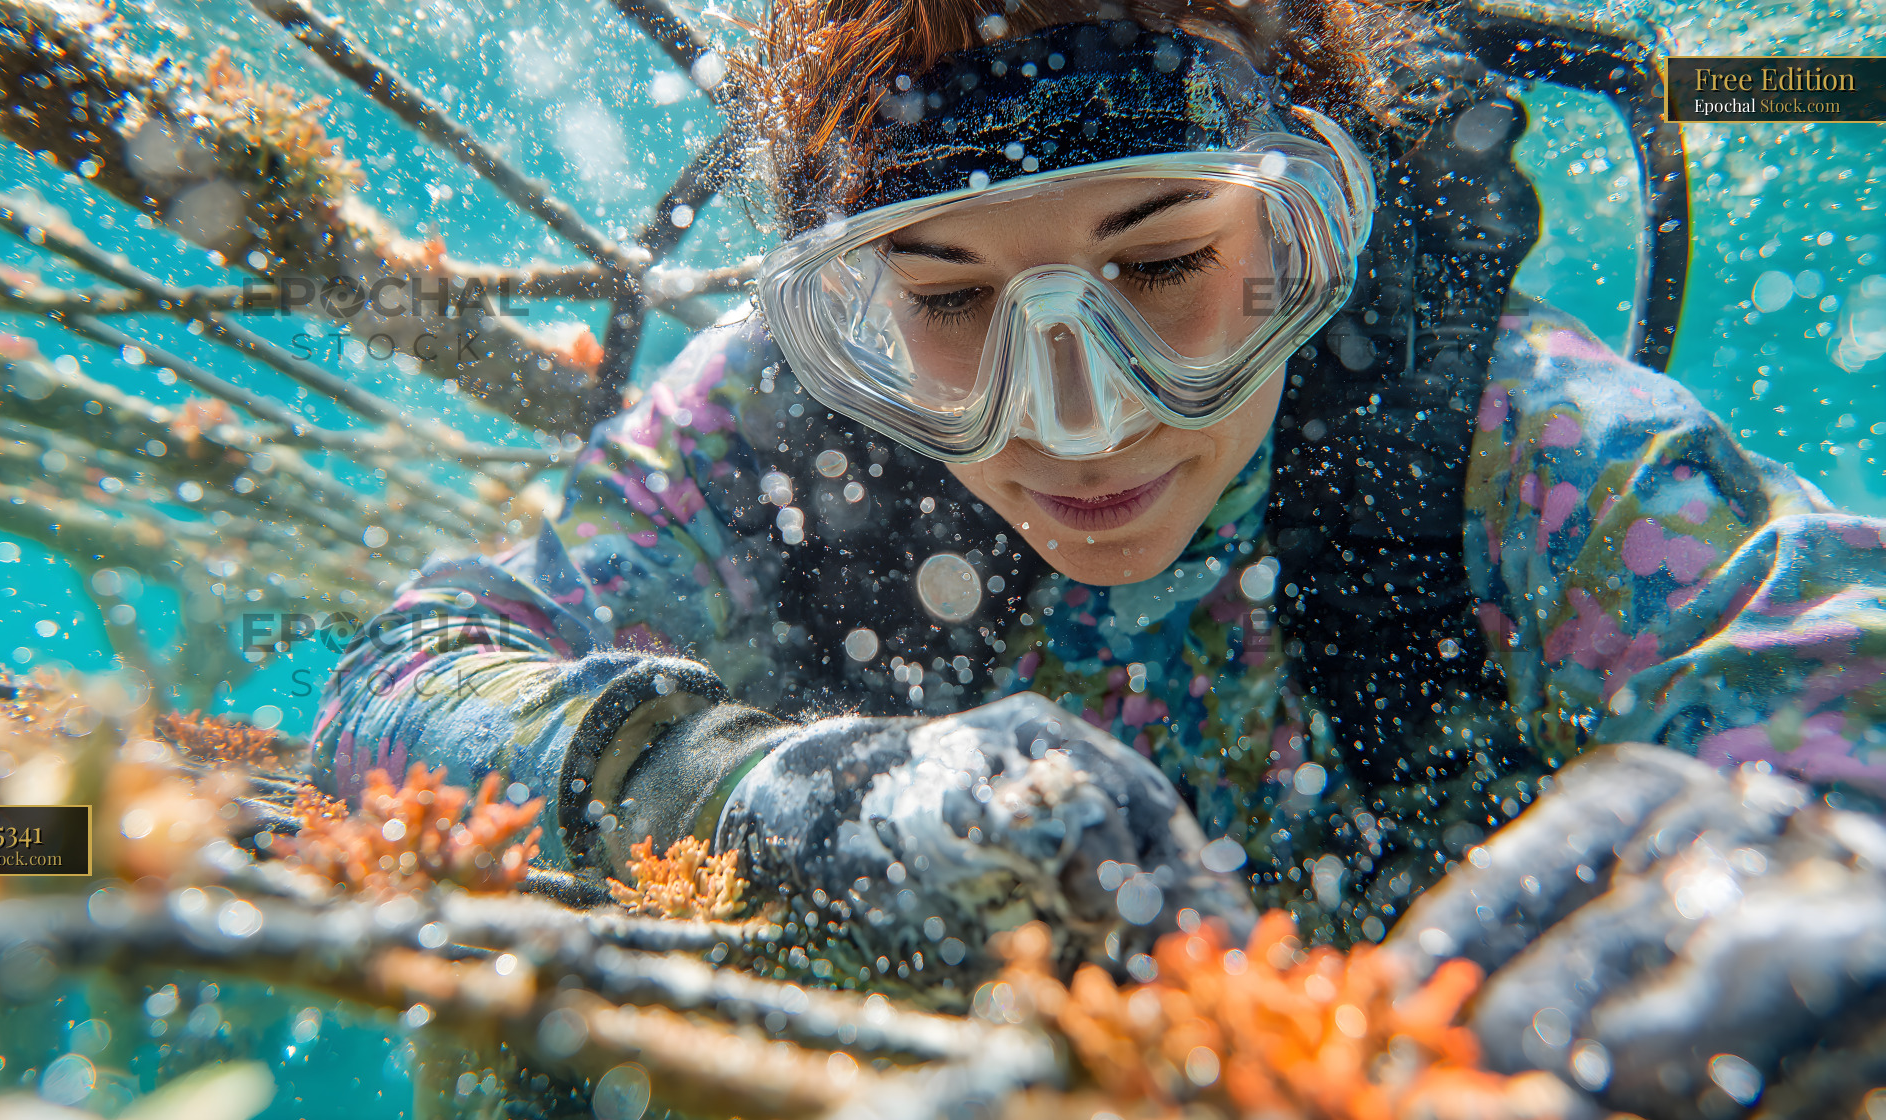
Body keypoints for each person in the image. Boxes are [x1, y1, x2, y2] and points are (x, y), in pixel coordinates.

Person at [310, 0, 1886, 1100]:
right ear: (842, 313)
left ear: (1302, 236)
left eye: (1162, 264)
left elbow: (1835, 681)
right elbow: (401, 690)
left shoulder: (1519, 438)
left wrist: (1808, 846)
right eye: (946, 302)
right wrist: (751, 790)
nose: (1074, 421)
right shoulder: (770, 424)